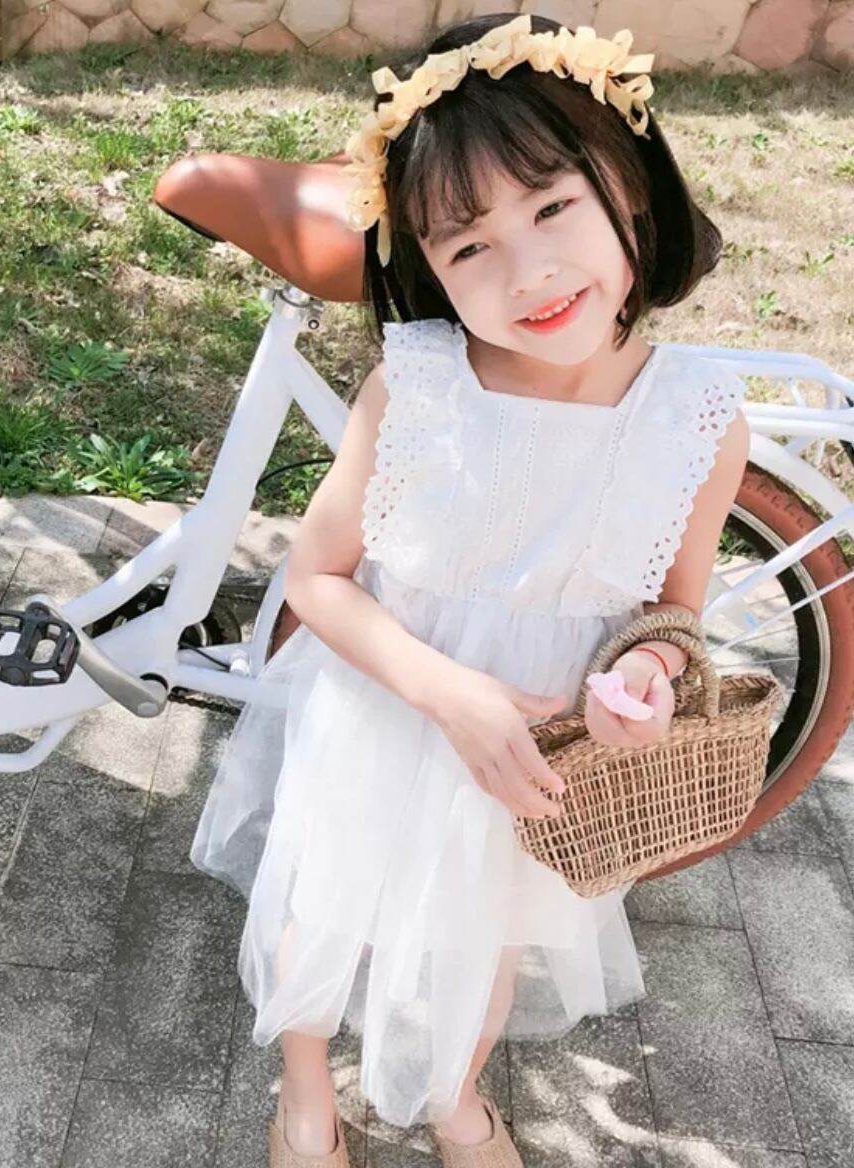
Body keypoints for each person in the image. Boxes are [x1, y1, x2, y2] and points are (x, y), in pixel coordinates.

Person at [190, 12, 750, 1166]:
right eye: (468, 246)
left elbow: (674, 615)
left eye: (550, 208)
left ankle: (456, 1096)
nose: (527, 273)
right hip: (387, 708)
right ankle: (306, 1093)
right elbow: (317, 577)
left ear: (627, 185)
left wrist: (646, 675)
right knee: (323, 906)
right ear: (427, 268)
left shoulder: (696, 416)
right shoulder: (420, 388)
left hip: (535, 753)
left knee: (485, 931)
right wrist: (448, 694)